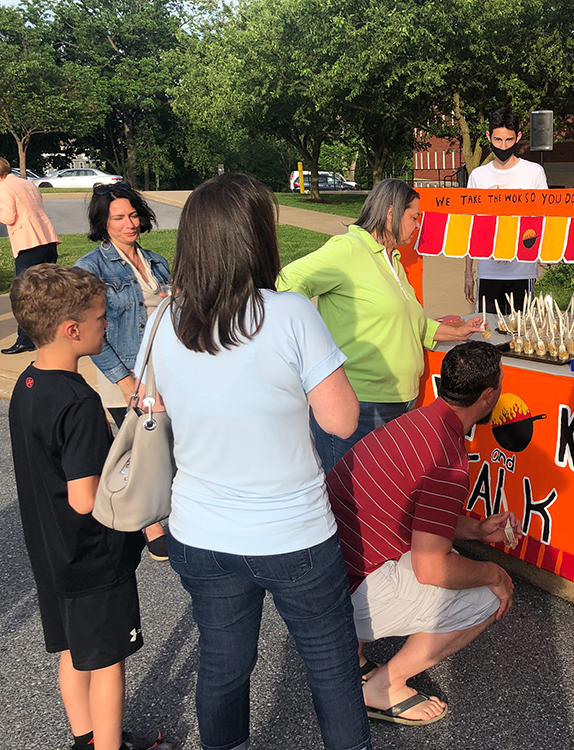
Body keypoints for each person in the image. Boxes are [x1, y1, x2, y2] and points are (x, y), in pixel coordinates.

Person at [142, 173, 371, 750]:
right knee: (332, 672)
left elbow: (156, 408)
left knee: (222, 667)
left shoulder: (161, 322)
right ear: (255, 239)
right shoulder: (290, 314)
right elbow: (341, 421)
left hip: (199, 528)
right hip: (290, 531)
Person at [8, 264, 170, 750]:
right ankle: (109, 744)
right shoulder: (77, 400)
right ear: (71, 329)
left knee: (74, 651)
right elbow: (85, 496)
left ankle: (86, 738)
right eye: (102, 318)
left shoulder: (29, 385)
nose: (107, 326)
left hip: (51, 553)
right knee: (106, 665)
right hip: (93, 559)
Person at [328, 340, 520, 726]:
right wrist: (496, 574)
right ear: (488, 395)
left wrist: (477, 529)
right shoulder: (448, 459)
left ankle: (352, 654)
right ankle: (384, 687)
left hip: (324, 572)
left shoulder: (416, 422)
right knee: (484, 596)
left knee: (408, 552)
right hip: (342, 596)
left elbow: (418, 516)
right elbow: (430, 568)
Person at [279, 178, 481, 474]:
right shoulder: (348, 249)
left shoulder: (393, 259)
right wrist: (313, 343)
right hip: (361, 405)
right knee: (350, 504)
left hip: (399, 402)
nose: (417, 226)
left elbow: (408, 320)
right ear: (390, 214)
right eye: (414, 217)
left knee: (383, 502)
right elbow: (287, 283)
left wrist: (453, 332)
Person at [75, 183, 171, 560]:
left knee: (168, 440)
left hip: (163, 366)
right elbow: (90, 330)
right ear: (103, 222)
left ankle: (170, 505)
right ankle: (148, 520)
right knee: (137, 447)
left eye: (133, 215)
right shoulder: (90, 267)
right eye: (118, 217)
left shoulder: (158, 261)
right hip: (125, 370)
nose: (129, 223)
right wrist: (124, 378)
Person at [464, 107, 548, 315]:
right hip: (488, 271)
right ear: (488, 136)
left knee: (520, 338)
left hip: (521, 271)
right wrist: (468, 273)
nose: (503, 146)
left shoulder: (534, 173)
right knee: (487, 336)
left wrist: (512, 245)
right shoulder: (478, 176)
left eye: (509, 140)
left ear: (518, 137)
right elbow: (470, 227)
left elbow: (542, 221)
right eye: (498, 140)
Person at [0, 156, 60, 354]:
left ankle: (25, 340)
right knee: (47, 291)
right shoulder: (28, 183)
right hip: (48, 239)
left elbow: (8, 216)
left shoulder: (4, 187)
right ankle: (50, 336)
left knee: (24, 294)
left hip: (28, 243)